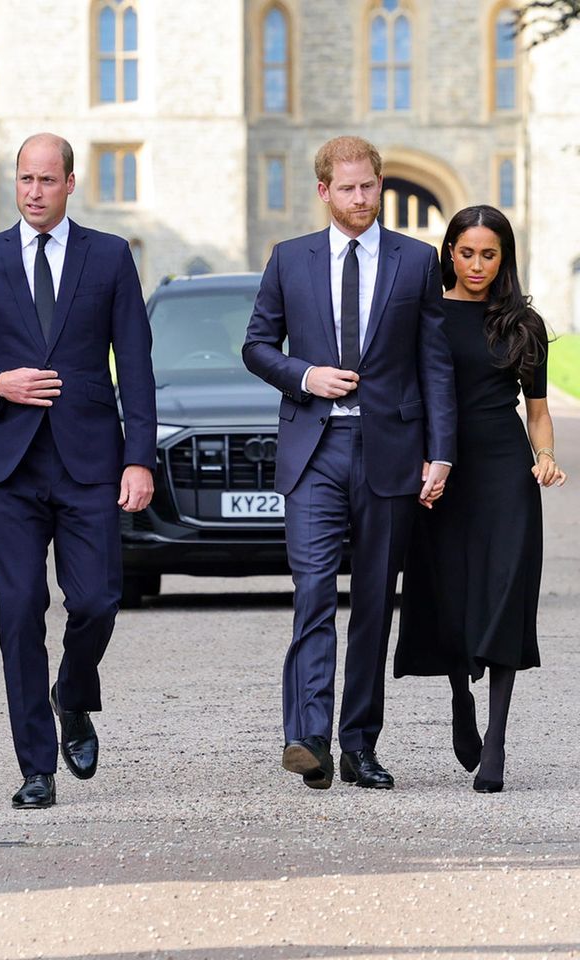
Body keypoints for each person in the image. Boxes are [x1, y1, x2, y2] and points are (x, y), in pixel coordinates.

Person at [0, 133, 156, 810]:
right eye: (25, 179)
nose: (34, 191)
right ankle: (35, 767)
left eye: (47, 180)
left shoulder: (109, 257)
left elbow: (135, 366)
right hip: (11, 467)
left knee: (96, 603)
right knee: (19, 608)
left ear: (70, 184)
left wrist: (138, 457)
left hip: (90, 463)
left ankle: (73, 695)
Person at [242, 136, 457, 791]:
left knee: (372, 604)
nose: (361, 198)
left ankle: (359, 745)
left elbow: (436, 364)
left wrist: (441, 453)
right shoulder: (289, 260)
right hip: (315, 452)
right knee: (312, 595)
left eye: (370, 186)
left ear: (380, 184)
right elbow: (256, 347)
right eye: (348, 188)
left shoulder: (417, 262)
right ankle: (308, 736)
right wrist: (305, 375)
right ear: (324, 192)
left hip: (390, 454)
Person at [395, 205, 567, 793]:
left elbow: (538, 413)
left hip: (503, 474)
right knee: (449, 594)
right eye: (466, 253)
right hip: (441, 474)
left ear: (504, 257)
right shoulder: (427, 314)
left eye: (488, 254)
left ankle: (495, 740)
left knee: (504, 597)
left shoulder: (523, 322)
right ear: (448, 252)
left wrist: (544, 457)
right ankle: (458, 698)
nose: (476, 265)